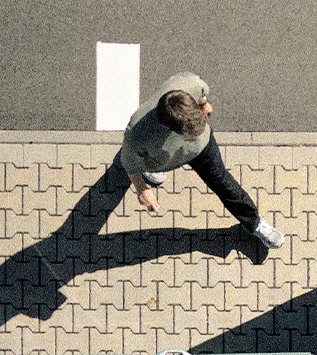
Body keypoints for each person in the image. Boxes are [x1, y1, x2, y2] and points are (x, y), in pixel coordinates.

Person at [118, 72, 284, 249]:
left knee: (223, 182)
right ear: (168, 128)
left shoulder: (188, 83)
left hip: (203, 150)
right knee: (145, 159)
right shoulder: (136, 136)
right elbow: (129, 163)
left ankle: (255, 223)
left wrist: (204, 104)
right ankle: (153, 170)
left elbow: (203, 92)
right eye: (189, 134)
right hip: (163, 157)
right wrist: (142, 188)